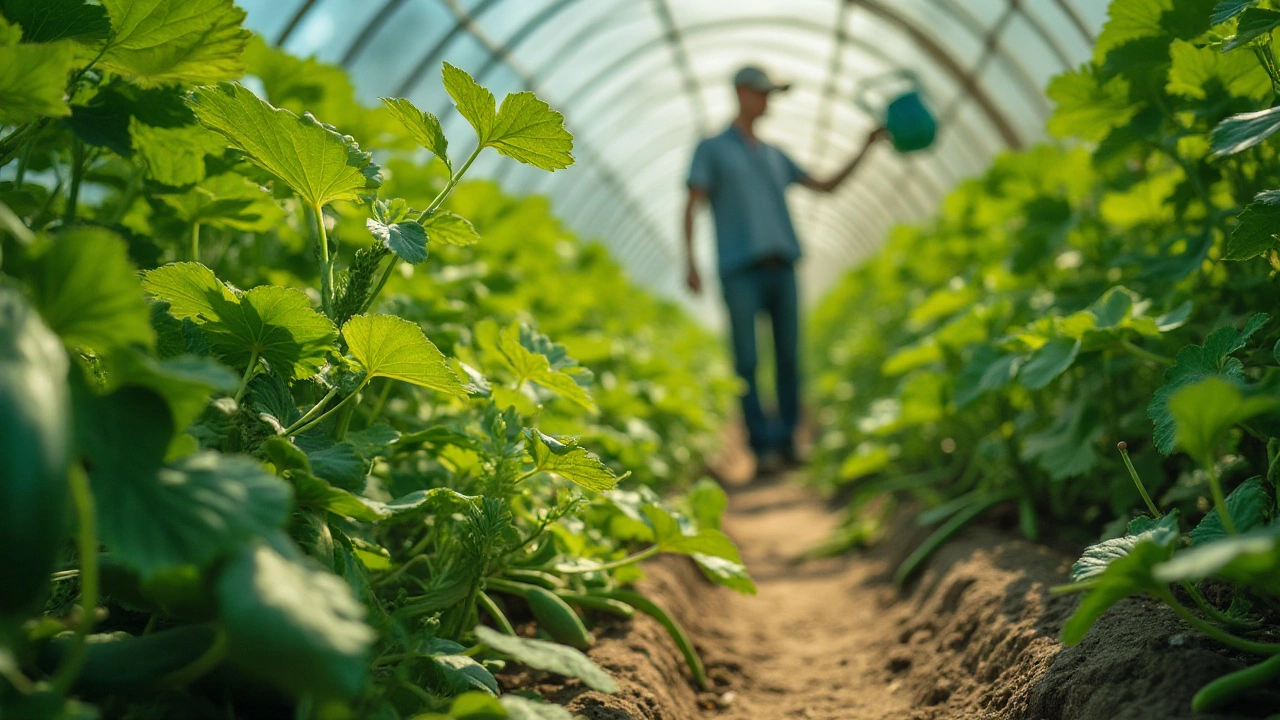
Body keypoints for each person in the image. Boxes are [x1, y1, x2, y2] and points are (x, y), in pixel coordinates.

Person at [684, 65, 886, 470]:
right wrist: (690, 262)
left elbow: (826, 185)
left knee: (789, 357)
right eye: (762, 93)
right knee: (747, 361)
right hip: (739, 268)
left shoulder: (775, 155)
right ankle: (761, 448)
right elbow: (692, 203)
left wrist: (867, 145)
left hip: (783, 266)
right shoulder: (711, 149)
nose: (768, 101)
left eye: (771, 94)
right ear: (741, 92)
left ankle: (788, 442)